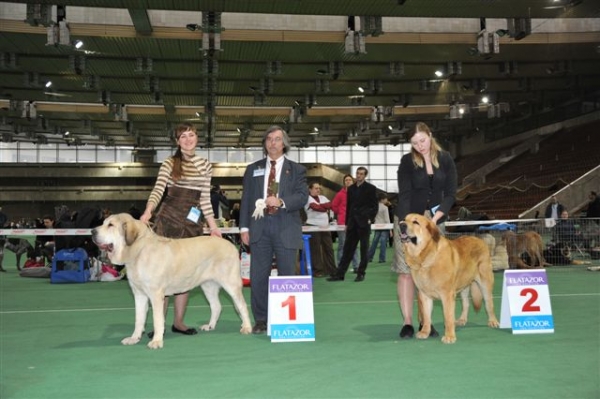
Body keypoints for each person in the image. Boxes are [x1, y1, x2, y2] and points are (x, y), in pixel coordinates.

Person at [140, 122, 222, 337]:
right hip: (167, 221)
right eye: (183, 136)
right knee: (162, 276)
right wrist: (148, 212)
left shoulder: (206, 165)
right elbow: (158, 190)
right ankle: (159, 326)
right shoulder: (169, 163)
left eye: (191, 135)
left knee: (186, 276)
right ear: (177, 141)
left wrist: (213, 228)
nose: (188, 139)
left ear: (197, 138)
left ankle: (179, 322)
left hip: (192, 224)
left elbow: (205, 199)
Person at [239, 125, 308, 334]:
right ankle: (261, 319)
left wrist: (281, 201)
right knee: (258, 276)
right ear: (265, 143)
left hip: (286, 227)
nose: (273, 143)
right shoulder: (253, 169)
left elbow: (302, 197)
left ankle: (286, 319)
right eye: (269, 139)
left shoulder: (297, 170)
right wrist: (243, 227)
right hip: (259, 228)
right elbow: (246, 199)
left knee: (288, 274)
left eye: (277, 139)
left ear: (284, 143)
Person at [393, 121, 457, 339]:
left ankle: (426, 322)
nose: (419, 146)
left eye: (422, 140)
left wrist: (437, 218)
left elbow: (450, 193)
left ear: (430, 135)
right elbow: (405, 194)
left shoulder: (446, 159)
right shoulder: (407, 162)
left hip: (436, 221)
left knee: (435, 270)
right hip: (410, 219)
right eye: (414, 143)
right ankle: (408, 322)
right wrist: (405, 227)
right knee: (406, 271)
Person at [327, 167, 378, 282]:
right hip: (352, 224)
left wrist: (370, 218)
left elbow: (374, 206)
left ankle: (361, 273)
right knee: (347, 249)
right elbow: (349, 207)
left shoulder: (371, 188)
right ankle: (340, 274)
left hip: (364, 223)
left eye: (361, 174)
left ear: (365, 176)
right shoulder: (351, 189)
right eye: (357, 173)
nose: (358, 175)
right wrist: (346, 223)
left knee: (364, 250)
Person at [305, 182, 336, 277]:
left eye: (319, 188)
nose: (318, 190)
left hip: (325, 226)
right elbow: (316, 207)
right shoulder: (307, 198)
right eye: (315, 188)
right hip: (313, 226)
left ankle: (331, 269)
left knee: (329, 248)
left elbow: (331, 205)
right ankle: (317, 271)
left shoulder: (323, 197)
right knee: (315, 250)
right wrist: (324, 208)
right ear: (310, 189)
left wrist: (324, 207)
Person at [331, 174, 358, 272]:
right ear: (344, 182)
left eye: (350, 180)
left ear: (353, 181)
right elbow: (333, 206)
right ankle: (340, 266)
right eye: (346, 180)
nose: (348, 181)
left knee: (354, 245)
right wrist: (341, 212)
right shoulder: (339, 194)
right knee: (342, 245)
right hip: (342, 223)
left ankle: (356, 266)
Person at [368, 193, 391, 263]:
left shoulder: (374, 207)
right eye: (386, 199)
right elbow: (387, 219)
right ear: (382, 199)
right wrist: (390, 230)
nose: (387, 200)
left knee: (374, 242)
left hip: (377, 226)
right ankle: (382, 259)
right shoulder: (385, 208)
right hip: (384, 226)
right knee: (383, 242)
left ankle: (369, 257)